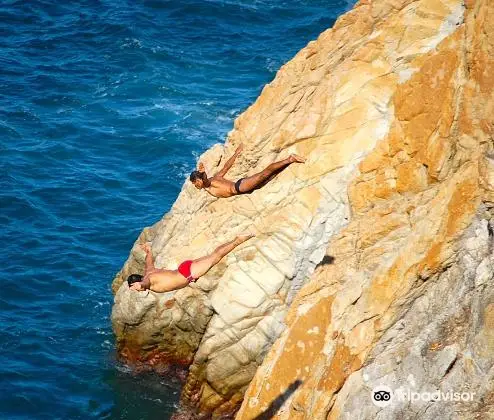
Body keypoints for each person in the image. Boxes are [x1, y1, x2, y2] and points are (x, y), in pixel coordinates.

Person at [127, 234, 254, 293]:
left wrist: (141, 285)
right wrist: (148, 250)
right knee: (214, 256)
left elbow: (145, 283)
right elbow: (149, 260)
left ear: (136, 282)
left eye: (134, 288)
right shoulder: (148, 272)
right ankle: (235, 239)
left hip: (187, 273)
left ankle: (237, 241)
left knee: (216, 257)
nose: (136, 291)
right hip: (184, 269)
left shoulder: (148, 280)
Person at [189, 144, 306, 198]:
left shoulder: (208, 183)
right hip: (243, 189)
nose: (196, 185)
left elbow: (206, 181)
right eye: (194, 184)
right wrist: (236, 153)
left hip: (240, 187)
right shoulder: (211, 181)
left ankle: (290, 159)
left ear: (199, 179)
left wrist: (203, 173)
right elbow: (226, 167)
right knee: (271, 176)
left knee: (264, 174)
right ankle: (290, 161)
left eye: (195, 182)